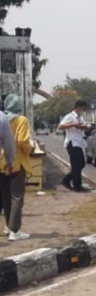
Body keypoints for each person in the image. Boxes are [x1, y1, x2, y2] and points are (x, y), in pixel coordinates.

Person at [0, 94, 32, 241]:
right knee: (17, 197)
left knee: (6, 196)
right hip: (16, 162)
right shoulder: (21, 120)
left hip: (1, 162)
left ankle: (7, 226)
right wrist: (30, 148)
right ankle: (15, 230)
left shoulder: (2, 119)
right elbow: (22, 140)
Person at [58, 100, 90, 192]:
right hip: (72, 142)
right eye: (83, 108)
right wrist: (73, 125)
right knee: (77, 165)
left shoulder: (80, 117)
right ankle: (77, 186)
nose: (83, 110)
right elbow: (60, 126)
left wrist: (85, 128)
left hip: (79, 142)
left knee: (81, 164)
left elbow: (81, 127)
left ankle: (67, 180)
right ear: (78, 107)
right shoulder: (70, 117)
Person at [0, 103, 14, 238]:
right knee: (5, 195)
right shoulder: (2, 118)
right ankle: (9, 226)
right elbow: (8, 144)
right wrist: (9, 162)